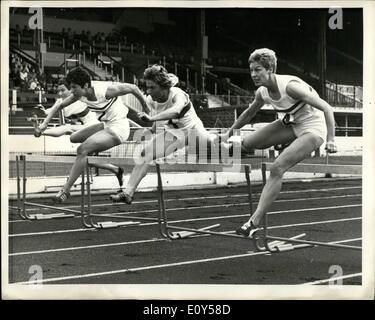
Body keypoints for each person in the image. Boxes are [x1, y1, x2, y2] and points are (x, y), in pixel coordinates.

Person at [220, 48, 337, 237]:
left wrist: (331, 140)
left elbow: (327, 108)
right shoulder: (262, 93)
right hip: (291, 122)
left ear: (270, 69)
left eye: (258, 70)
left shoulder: (290, 87)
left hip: (314, 128)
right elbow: (249, 113)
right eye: (251, 70)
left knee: (277, 167)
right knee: (248, 143)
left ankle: (253, 222)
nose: (253, 75)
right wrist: (228, 134)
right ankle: (223, 148)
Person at [110, 64, 226, 204]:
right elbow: (160, 114)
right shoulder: (151, 100)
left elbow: (176, 111)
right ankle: (128, 193)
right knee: (145, 154)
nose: (148, 91)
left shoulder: (178, 94)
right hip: (174, 134)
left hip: (193, 130)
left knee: (212, 142)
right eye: (147, 87)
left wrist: (152, 119)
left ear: (163, 87)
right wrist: (153, 129)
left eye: (152, 87)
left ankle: (225, 142)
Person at [34, 67, 149, 203]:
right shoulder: (78, 94)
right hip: (105, 125)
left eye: (74, 87)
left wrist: (145, 107)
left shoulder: (106, 91)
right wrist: (44, 125)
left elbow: (133, 88)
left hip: (119, 128)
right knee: (73, 137)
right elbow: (59, 106)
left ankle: (65, 190)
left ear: (86, 85)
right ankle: (108, 167)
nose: (71, 91)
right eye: (70, 87)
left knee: (82, 150)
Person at [30, 78, 125, 191]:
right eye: (58, 91)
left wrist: (42, 129)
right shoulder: (60, 102)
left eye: (63, 90)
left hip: (94, 125)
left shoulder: (78, 98)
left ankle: (69, 184)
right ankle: (116, 169)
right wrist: (43, 112)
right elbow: (51, 110)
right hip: (83, 128)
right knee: (86, 159)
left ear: (70, 89)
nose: (60, 94)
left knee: (68, 129)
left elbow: (91, 99)